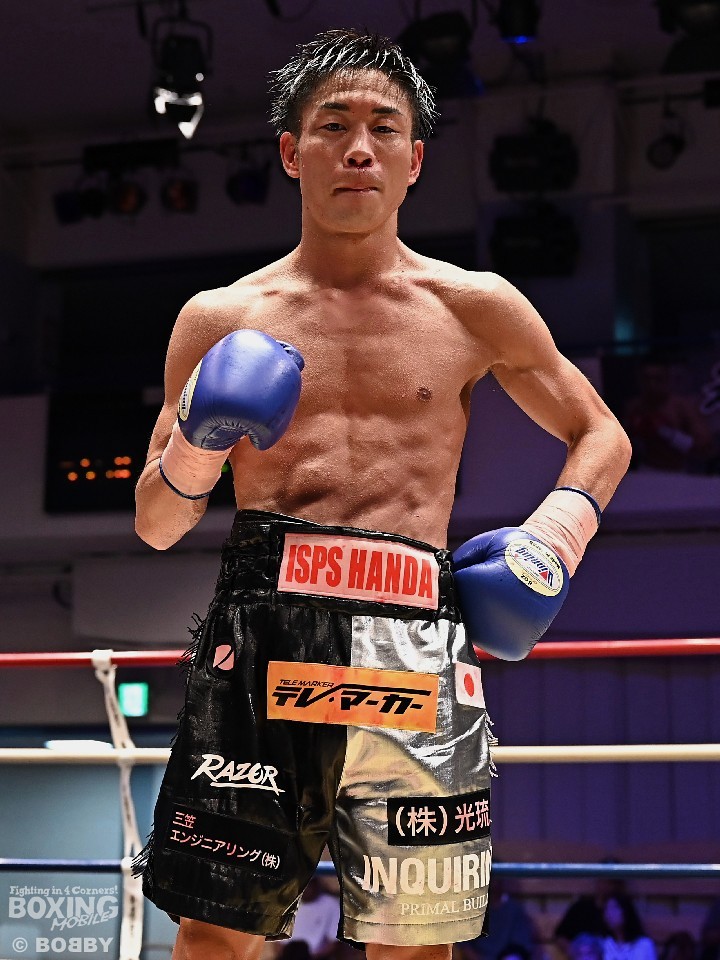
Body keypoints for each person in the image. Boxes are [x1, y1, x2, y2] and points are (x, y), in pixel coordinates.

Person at [133, 27, 631, 960]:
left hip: (415, 644)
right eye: (333, 126)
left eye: (383, 128)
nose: (358, 148)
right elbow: (156, 524)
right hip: (265, 635)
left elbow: (602, 434)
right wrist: (201, 447)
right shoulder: (221, 318)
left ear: (415, 159)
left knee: (415, 945)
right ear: (292, 153)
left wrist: (549, 542)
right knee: (215, 936)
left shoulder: (474, 306)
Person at [601, 895, 657, 960]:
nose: (609, 914)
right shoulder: (606, 944)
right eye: (606, 909)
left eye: (613, 909)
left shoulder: (644, 945)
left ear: (625, 911)